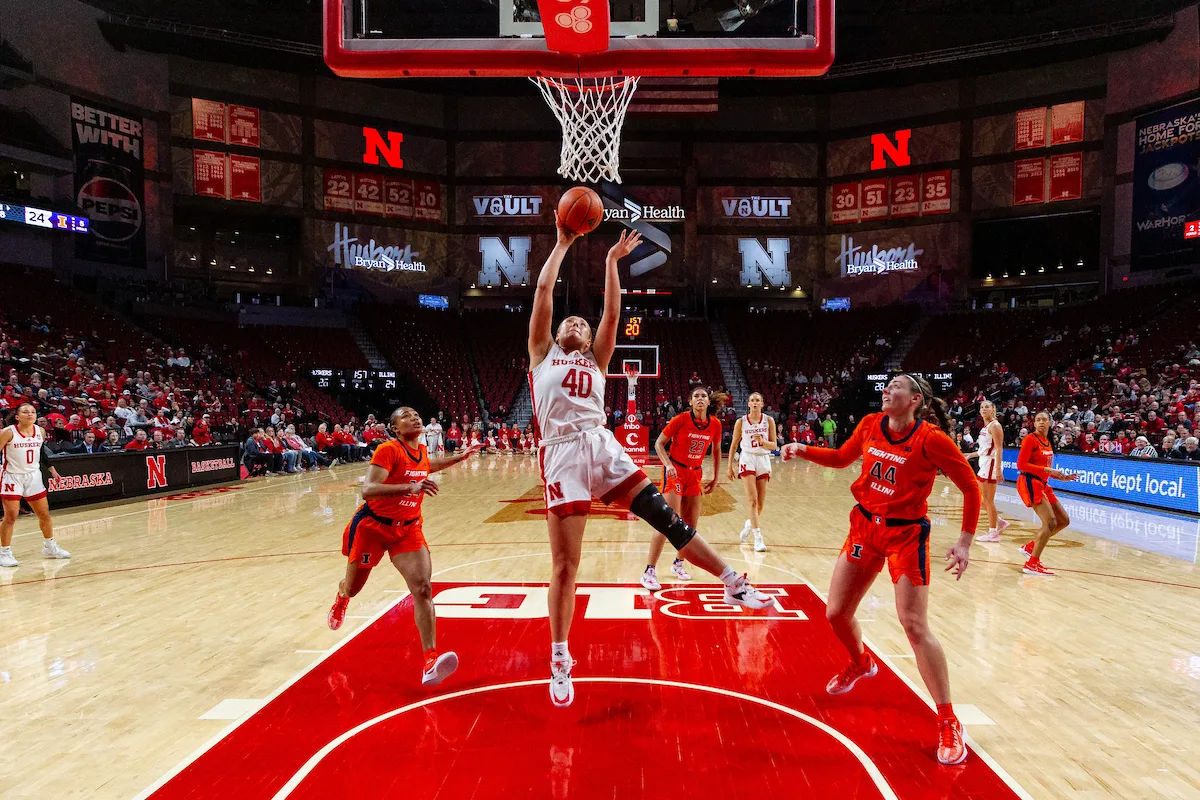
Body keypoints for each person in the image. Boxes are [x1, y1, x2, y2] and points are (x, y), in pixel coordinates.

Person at [528, 220, 773, 709]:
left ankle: (732, 581)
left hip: (601, 444)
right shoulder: (541, 355)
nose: (577, 324)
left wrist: (611, 264)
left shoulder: (597, 358)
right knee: (565, 564)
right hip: (561, 454)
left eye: (582, 322)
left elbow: (613, 314)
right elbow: (543, 289)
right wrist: (562, 242)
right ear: (554, 334)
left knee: (668, 517)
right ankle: (559, 658)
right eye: (569, 323)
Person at [780, 374, 981, 766]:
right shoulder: (871, 423)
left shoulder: (932, 440)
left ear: (916, 401)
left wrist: (965, 542)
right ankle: (860, 663)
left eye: (897, 387)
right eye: (886, 386)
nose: (887, 390)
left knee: (914, 624)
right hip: (864, 527)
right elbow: (841, 458)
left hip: (906, 536)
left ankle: (948, 720)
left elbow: (970, 487)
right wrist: (800, 448)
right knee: (836, 612)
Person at [327, 407, 481, 687]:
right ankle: (341, 596)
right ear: (395, 428)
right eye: (406, 415)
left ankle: (430, 661)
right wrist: (409, 487)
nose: (415, 417)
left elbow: (425, 467)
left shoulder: (421, 450)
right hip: (372, 527)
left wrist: (460, 457)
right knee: (353, 587)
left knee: (423, 588)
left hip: (407, 529)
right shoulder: (388, 449)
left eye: (416, 414)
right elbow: (368, 489)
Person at [640, 386, 724, 590]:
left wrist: (715, 476)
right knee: (666, 519)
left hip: (695, 473)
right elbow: (659, 444)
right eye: (696, 396)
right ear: (691, 402)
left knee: (691, 524)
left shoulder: (715, 424)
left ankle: (678, 563)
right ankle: (649, 571)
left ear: (708, 401)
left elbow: (717, 450)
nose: (700, 399)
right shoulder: (681, 419)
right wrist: (668, 465)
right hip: (676, 470)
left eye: (704, 396)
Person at [0, 403, 69, 567]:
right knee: (11, 516)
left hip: (33, 476)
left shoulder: (41, 431)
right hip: (12, 476)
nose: (30, 414)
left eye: (32, 412)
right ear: (17, 416)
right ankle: (4, 553)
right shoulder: (8, 432)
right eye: (25, 412)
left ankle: (50, 547)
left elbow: (41, 453)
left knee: (44, 514)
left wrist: (52, 469)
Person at [1016, 411, 1079, 577]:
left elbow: (1045, 468)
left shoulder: (1048, 441)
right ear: (1034, 423)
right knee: (1050, 522)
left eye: (1044, 419)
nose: (1041, 422)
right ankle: (1032, 564)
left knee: (1063, 520)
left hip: (1043, 483)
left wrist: (1062, 477)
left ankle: (1030, 547)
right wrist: (1047, 470)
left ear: (1050, 423)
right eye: (1038, 420)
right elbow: (1022, 465)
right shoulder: (1030, 439)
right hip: (1029, 481)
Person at [727, 392, 777, 552]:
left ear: (762, 404)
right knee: (753, 501)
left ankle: (749, 524)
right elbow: (734, 444)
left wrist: (763, 442)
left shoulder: (769, 421)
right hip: (747, 458)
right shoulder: (741, 422)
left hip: (763, 459)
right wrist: (729, 466)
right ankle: (758, 538)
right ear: (748, 404)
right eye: (752, 400)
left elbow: (774, 446)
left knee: (760, 505)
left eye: (758, 400)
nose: (755, 403)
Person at [966, 400, 1009, 543]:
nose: (984, 409)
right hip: (984, 463)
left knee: (988, 500)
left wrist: (998, 469)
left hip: (990, 465)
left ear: (993, 409)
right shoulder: (985, 427)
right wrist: (970, 455)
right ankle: (1000, 522)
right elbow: (983, 450)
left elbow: (998, 449)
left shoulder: (995, 426)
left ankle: (993, 533)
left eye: (987, 407)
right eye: (982, 407)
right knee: (980, 500)